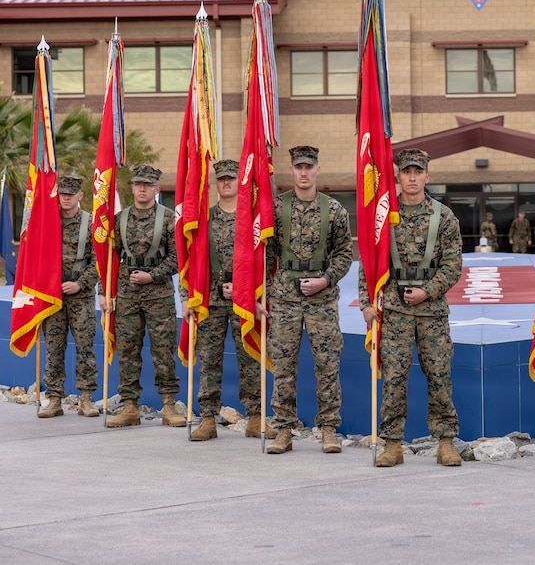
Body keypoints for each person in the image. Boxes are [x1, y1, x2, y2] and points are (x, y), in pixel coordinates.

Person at [360, 148, 463, 467]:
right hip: (395, 311)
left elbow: (453, 265)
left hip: (432, 311)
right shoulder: (384, 216)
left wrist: (427, 291)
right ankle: (392, 444)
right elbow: (368, 262)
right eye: (407, 172)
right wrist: (366, 303)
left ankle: (445, 442)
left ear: (427, 176)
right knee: (394, 378)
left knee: (439, 375)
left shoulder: (444, 216)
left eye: (418, 172)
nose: (413, 178)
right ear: (398, 176)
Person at [263, 146, 353, 455]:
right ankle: (283, 430)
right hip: (284, 298)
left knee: (327, 365)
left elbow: (344, 254)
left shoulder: (334, 210)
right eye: (298, 167)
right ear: (291, 170)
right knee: (283, 366)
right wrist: (261, 293)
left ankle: (328, 428)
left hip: (322, 299)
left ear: (317, 170)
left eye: (308, 167)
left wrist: (325, 280)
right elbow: (265, 253)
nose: (303, 172)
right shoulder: (276, 209)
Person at [189, 160, 271, 441]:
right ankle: (208, 419)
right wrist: (189, 299)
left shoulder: (251, 220)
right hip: (211, 301)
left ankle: (255, 418)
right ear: (216, 182)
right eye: (221, 178)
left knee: (249, 359)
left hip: (244, 300)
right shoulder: (205, 219)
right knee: (209, 360)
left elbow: (264, 260)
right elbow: (194, 262)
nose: (226, 183)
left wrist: (256, 296)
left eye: (231, 178)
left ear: (240, 182)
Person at [106, 165, 182, 428]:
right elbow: (109, 257)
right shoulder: (119, 219)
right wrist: (105, 292)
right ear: (132, 187)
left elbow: (178, 257)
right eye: (138, 184)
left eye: (148, 185)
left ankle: (169, 405)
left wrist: (153, 275)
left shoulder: (169, 218)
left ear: (157, 188)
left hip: (159, 294)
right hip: (127, 293)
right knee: (128, 350)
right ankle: (129, 406)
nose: (142, 189)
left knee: (164, 350)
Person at [38, 173, 100, 418]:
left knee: (85, 348)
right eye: (63, 194)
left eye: (71, 194)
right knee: (54, 348)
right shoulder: (47, 222)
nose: (66, 198)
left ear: (80, 195)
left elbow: (100, 261)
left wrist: (80, 283)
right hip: (53, 296)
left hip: (80, 296)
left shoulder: (91, 223)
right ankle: (54, 399)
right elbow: (36, 257)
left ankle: (86, 399)